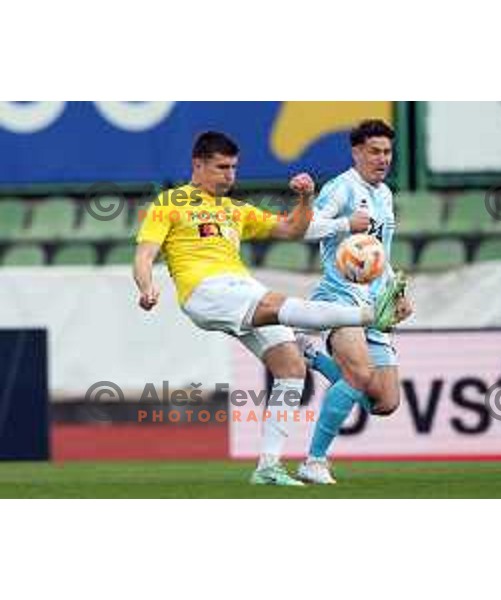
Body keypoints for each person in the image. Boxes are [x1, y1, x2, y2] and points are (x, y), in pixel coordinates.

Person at [133, 130, 406, 486]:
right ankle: (369, 315)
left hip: (240, 287)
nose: (230, 175)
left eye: (233, 167)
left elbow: (293, 228)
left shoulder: (235, 209)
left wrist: (306, 198)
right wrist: (146, 285)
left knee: (291, 367)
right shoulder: (169, 203)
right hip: (206, 290)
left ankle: (268, 467)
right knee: (276, 303)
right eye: (221, 167)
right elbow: (144, 254)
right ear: (197, 165)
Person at [296, 119, 414, 484]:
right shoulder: (341, 188)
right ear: (357, 152)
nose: (383, 159)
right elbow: (305, 227)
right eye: (375, 151)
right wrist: (347, 223)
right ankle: (314, 461)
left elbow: (381, 253)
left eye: (388, 152)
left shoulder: (385, 194)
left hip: (375, 306)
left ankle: (312, 356)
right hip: (340, 298)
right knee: (360, 375)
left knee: (385, 402)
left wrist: (397, 291)